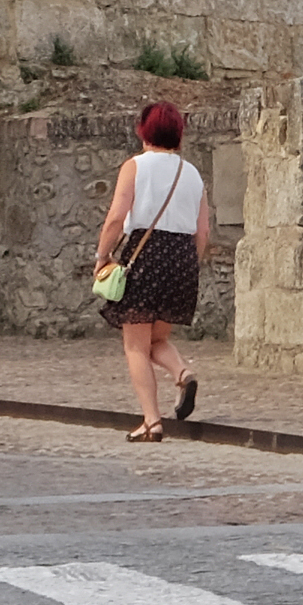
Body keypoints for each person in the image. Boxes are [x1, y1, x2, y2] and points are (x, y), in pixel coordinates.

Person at [93, 100, 210, 440]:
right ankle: (183, 372)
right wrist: (190, 265)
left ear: (143, 131)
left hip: (145, 255)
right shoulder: (192, 173)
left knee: (134, 344)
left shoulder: (135, 166)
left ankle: (151, 421)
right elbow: (203, 231)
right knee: (156, 338)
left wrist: (102, 255)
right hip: (182, 258)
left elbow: (117, 217)